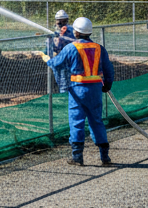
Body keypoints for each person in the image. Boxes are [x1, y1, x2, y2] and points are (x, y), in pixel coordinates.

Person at [41, 17, 115, 165]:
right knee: (97, 121)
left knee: (76, 122)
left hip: (77, 89)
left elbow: (57, 63)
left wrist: (47, 59)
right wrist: (107, 84)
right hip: (95, 90)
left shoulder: (71, 48)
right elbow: (108, 69)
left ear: (76, 32)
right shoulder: (99, 48)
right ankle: (105, 157)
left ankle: (77, 157)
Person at [45, 9, 75, 92]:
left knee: (65, 85)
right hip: (58, 60)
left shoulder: (72, 31)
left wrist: (62, 37)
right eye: (59, 22)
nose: (61, 25)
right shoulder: (54, 33)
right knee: (60, 82)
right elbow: (52, 47)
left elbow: (77, 43)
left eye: (63, 22)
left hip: (68, 60)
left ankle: (67, 100)